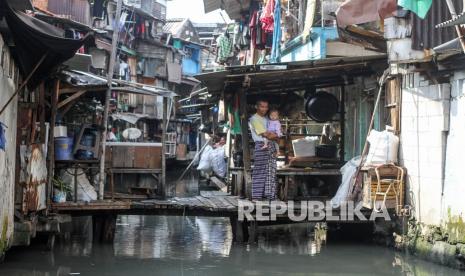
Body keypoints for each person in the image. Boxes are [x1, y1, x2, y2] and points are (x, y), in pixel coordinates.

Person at [249, 99, 279, 200]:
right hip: (261, 145)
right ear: (256, 107)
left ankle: (268, 195)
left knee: (271, 171)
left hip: (270, 146)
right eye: (262, 106)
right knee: (260, 171)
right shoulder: (254, 119)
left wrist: (274, 135)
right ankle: (256, 196)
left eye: (266, 107)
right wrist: (275, 135)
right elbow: (266, 134)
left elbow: (274, 133)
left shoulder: (267, 119)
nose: (265, 109)